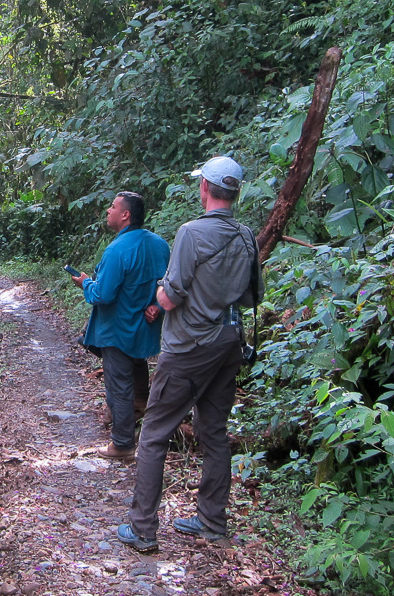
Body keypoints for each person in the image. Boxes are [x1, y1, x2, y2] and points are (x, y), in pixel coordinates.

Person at [116, 156, 263, 551]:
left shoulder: (191, 233)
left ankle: (143, 528)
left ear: (204, 189)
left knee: (154, 433)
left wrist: (159, 295)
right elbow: (253, 295)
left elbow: (172, 294)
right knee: (213, 430)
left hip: (189, 347)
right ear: (235, 192)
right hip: (229, 343)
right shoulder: (247, 235)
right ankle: (212, 520)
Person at [70, 191, 171, 459]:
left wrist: (85, 283)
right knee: (137, 371)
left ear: (125, 215)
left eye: (113, 207)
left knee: (119, 384)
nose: (108, 210)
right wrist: (157, 306)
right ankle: (137, 415)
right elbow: (172, 283)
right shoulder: (160, 244)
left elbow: (103, 295)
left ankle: (123, 443)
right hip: (144, 328)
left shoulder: (117, 250)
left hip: (117, 329)